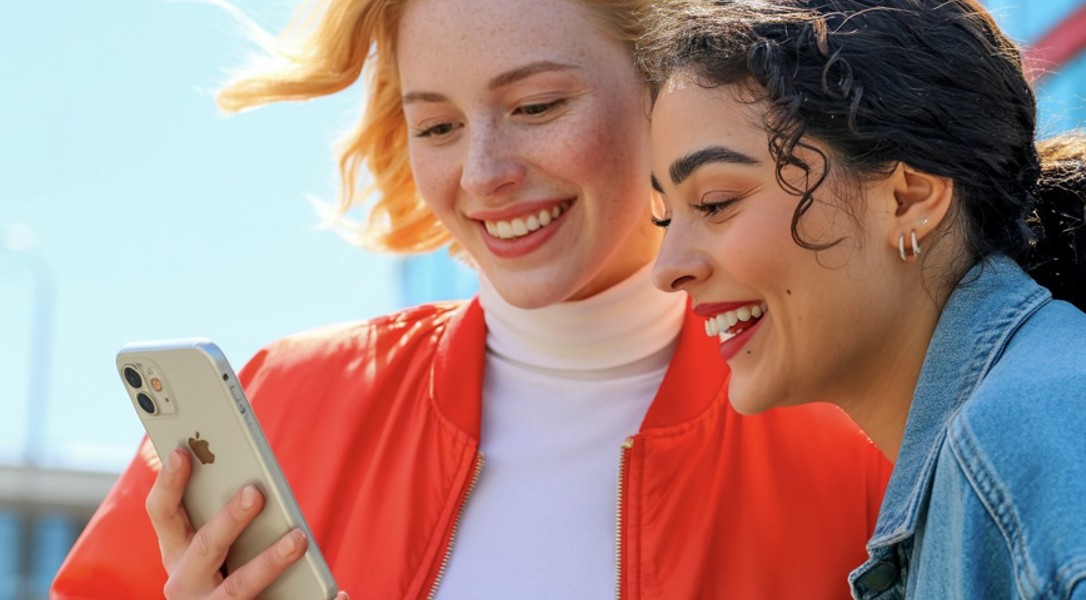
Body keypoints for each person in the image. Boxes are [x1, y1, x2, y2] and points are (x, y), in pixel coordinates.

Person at [51, 0, 892, 598]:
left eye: (535, 106)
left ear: (667, 92)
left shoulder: (862, 437)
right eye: (439, 126)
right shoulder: (282, 400)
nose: (484, 174)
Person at [640, 0, 1086, 597]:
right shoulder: (1010, 444)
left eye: (716, 201)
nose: (668, 269)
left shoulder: (1044, 437)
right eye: (665, 217)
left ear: (909, 199)